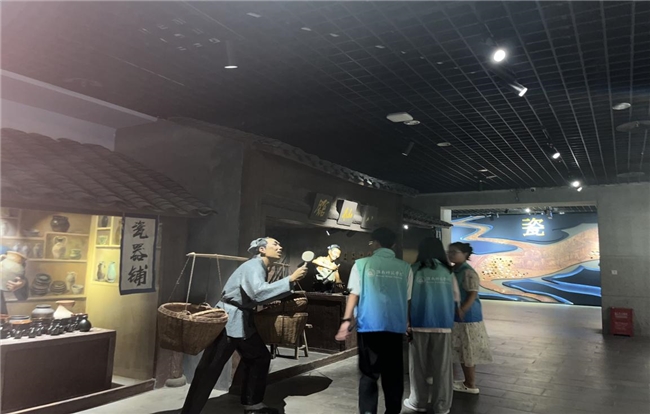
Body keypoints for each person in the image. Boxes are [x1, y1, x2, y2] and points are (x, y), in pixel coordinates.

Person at [181, 237, 307, 414]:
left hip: (242, 320)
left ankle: (253, 405)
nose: (280, 247)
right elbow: (257, 293)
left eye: (279, 244)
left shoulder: (260, 267)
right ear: (262, 249)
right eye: (275, 244)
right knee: (210, 366)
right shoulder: (253, 266)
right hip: (229, 320)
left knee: (259, 357)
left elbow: (255, 294)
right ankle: (190, 411)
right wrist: (290, 279)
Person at [335, 227, 413, 414]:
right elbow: (407, 299)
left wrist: (346, 321)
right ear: (393, 245)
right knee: (393, 374)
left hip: (369, 326)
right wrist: (407, 323)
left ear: (376, 243)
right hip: (395, 327)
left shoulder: (361, 264)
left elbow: (354, 294)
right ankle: (392, 411)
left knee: (369, 374)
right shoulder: (405, 268)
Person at [404, 238, 460, 414]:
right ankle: (442, 405)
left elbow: (406, 298)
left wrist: (406, 322)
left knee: (418, 366)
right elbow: (456, 298)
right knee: (443, 367)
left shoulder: (414, 269)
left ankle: (418, 402)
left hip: (419, 322)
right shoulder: (448, 271)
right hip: (443, 324)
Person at [447, 242, 493, 395]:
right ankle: (468, 381)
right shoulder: (455, 269)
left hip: (468, 318)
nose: (450, 254)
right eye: (449, 252)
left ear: (465, 254)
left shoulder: (468, 272)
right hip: (460, 316)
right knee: (463, 349)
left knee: (467, 350)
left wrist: (463, 309)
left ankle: (470, 384)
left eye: (454, 252)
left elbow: (472, 293)